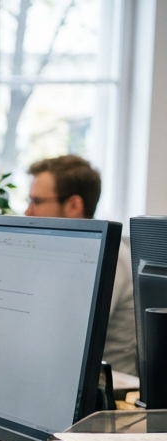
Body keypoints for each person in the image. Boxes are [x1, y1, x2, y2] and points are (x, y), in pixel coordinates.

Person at [25, 154, 136, 375]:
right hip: (63, 375)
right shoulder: (63, 254)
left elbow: (67, 340)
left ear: (74, 205)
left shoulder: (110, 256)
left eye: (37, 201)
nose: (28, 212)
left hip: (110, 391)